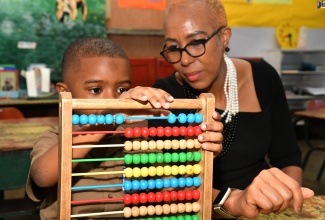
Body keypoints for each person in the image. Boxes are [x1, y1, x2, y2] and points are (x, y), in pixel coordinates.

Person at [26, 37, 223, 219]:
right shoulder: (54, 138)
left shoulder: (134, 141)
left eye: (121, 90)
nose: (113, 99)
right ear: (64, 92)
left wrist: (195, 150)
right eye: (96, 90)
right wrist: (108, 117)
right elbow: (42, 176)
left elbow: (169, 192)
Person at [150, 0, 314, 218]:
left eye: (197, 42)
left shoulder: (264, 78)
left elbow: (288, 157)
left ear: (224, 36)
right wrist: (233, 202)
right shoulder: (165, 100)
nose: (185, 60)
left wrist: (283, 199)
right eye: (173, 47)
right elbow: (174, 187)